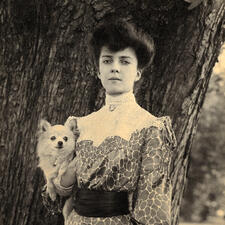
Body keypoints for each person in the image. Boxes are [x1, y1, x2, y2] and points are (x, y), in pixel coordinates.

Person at [53, 19, 177, 225]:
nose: (115, 68)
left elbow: (153, 205)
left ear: (138, 72)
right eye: (108, 61)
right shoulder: (78, 125)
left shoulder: (151, 127)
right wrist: (68, 175)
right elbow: (57, 192)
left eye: (125, 61)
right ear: (98, 70)